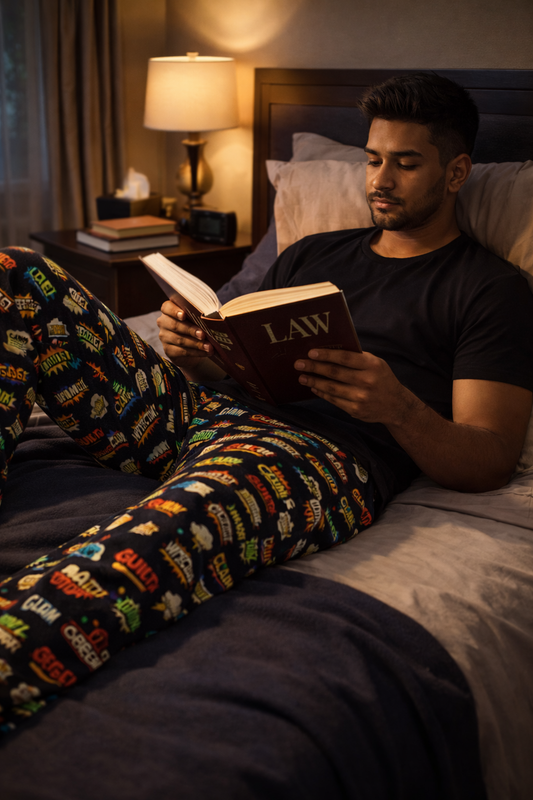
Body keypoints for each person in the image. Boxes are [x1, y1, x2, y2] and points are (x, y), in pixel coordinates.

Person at [0, 72, 532, 729]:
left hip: (319, 460)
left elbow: (490, 459)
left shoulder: (489, 290)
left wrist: (397, 407)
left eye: (404, 163)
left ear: (455, 173)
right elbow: (242, 367)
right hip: (205, 415)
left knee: (145, 543)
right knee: (16, 274)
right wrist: (196, 352)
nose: (379, 180)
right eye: (371, 159)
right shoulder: (311, 253)